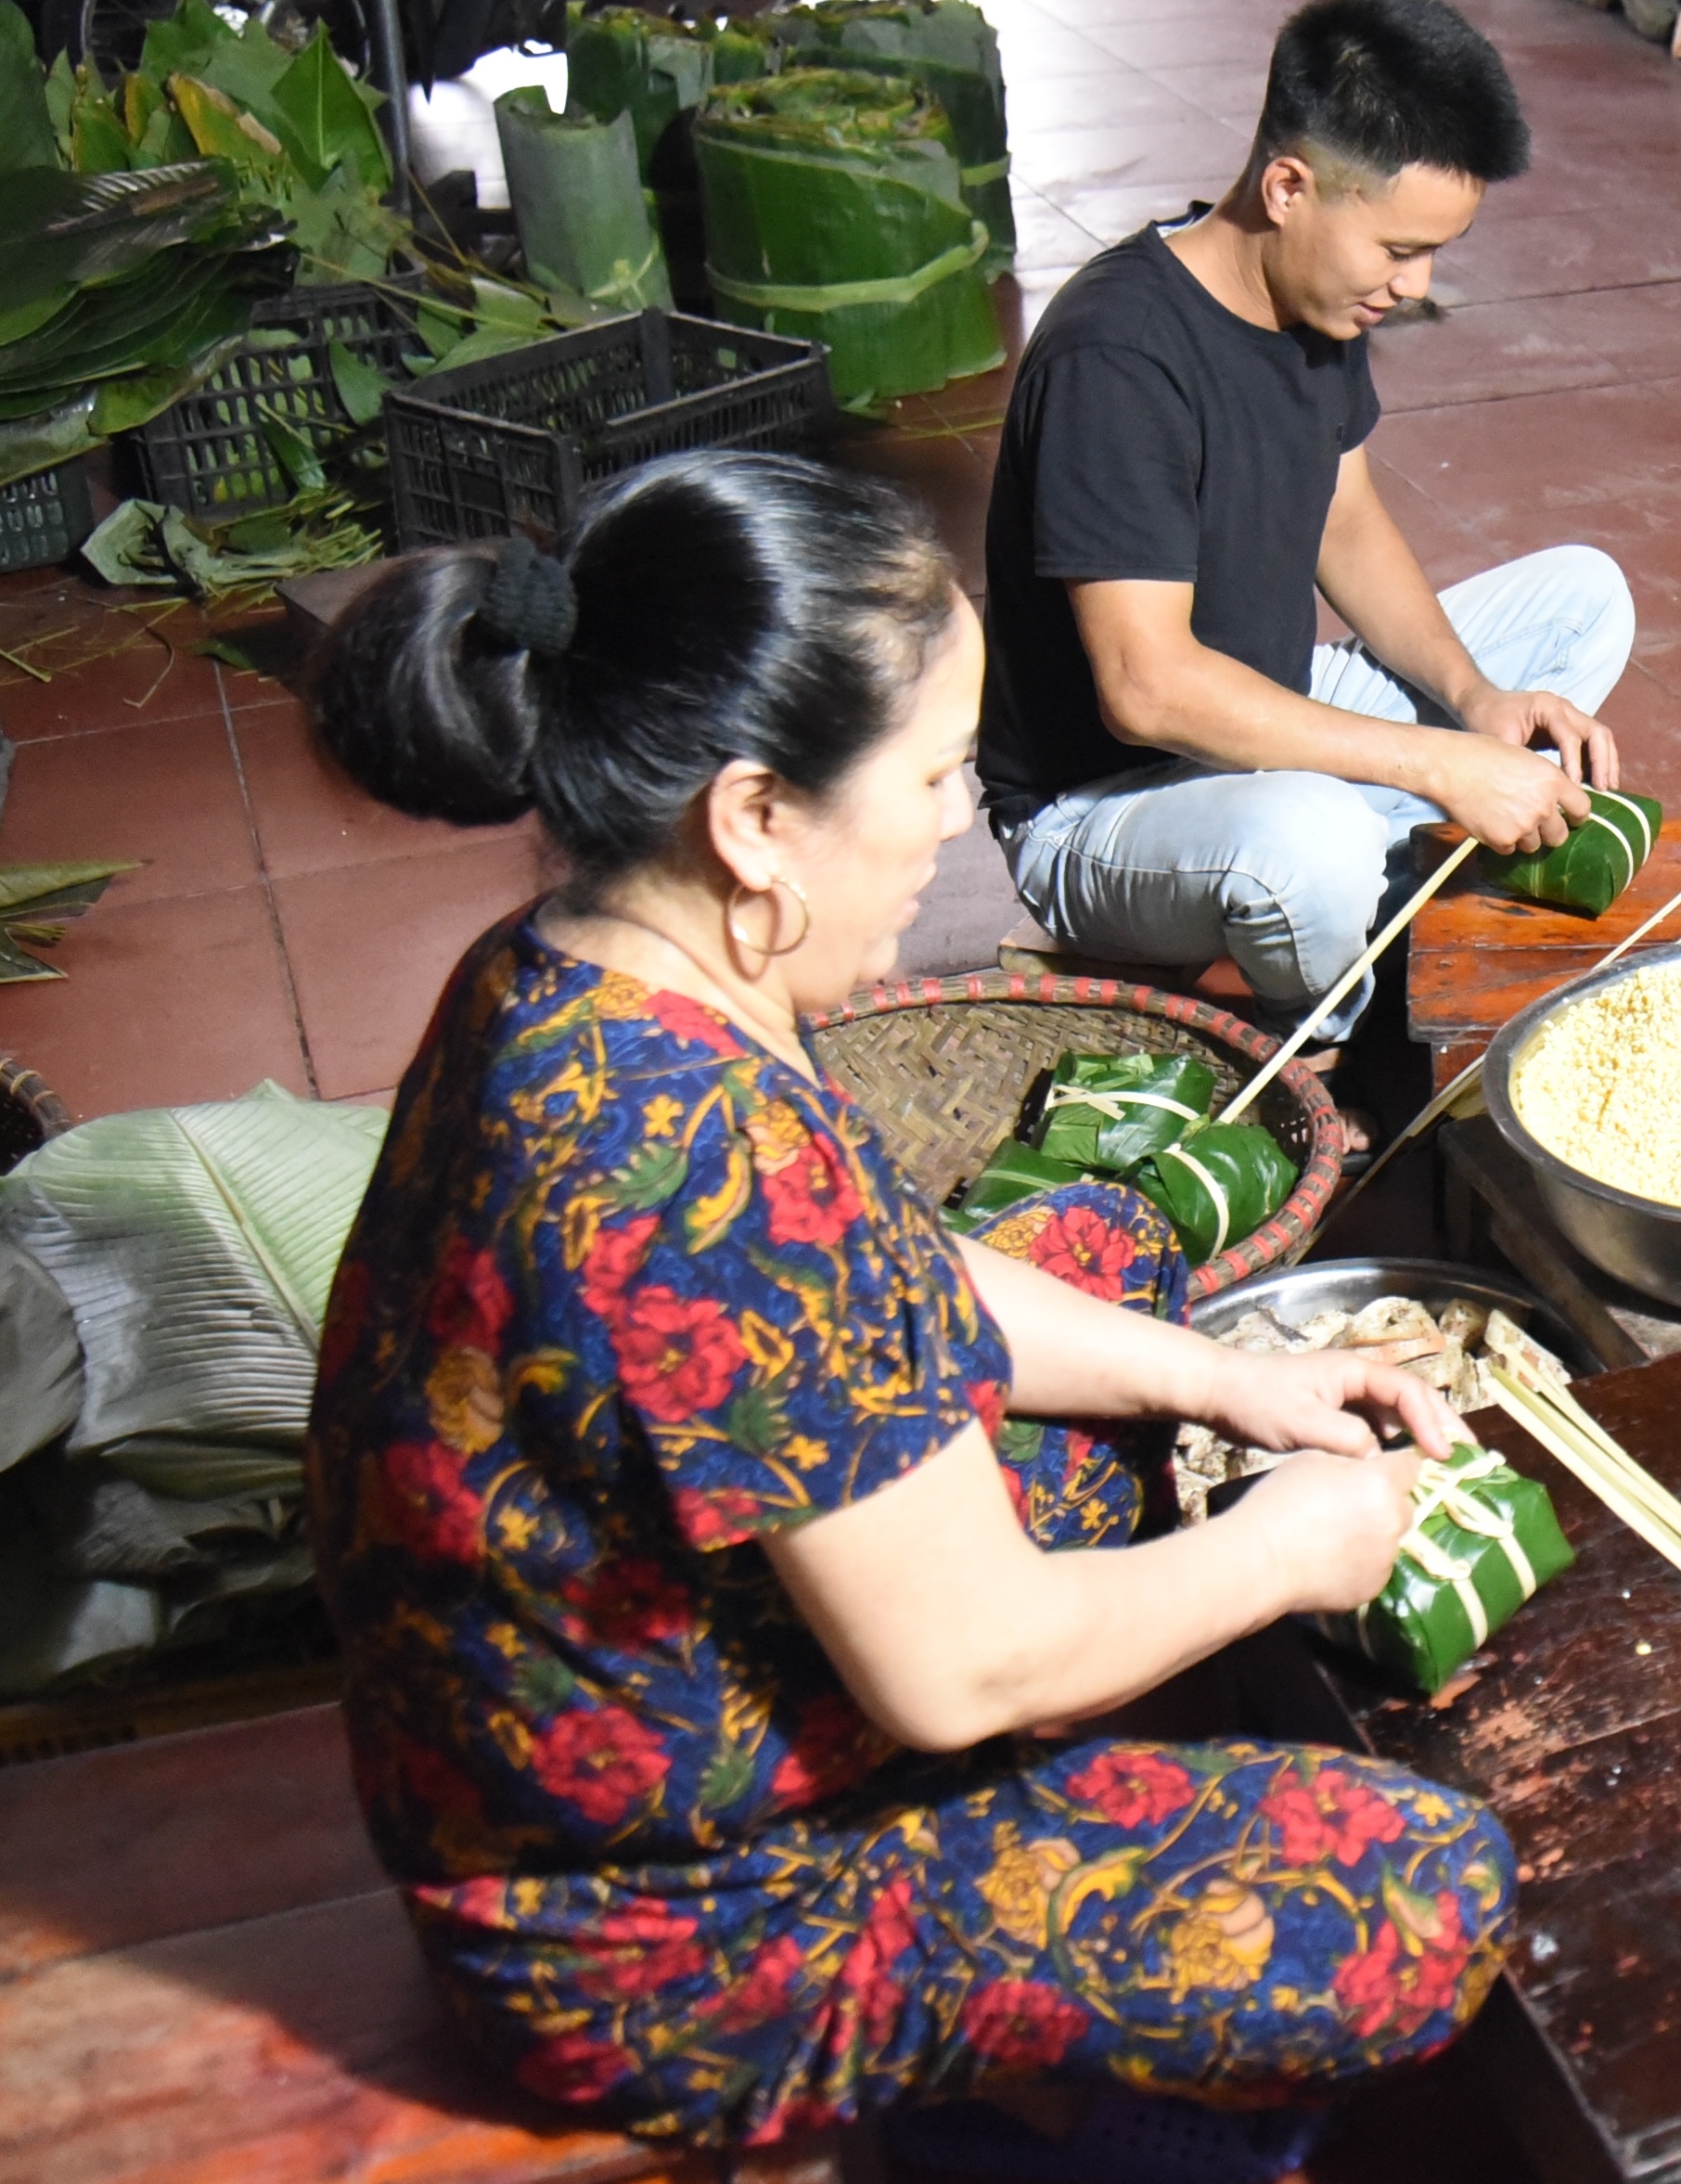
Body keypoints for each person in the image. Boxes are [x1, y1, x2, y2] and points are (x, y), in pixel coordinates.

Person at [302, 453, 1513, 2166]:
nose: (959, 817)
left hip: (593, 1713)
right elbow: (960, 1665)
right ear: (754, 818)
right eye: (937, 772)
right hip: (653, 1920)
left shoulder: (572, 962)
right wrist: (1293, 1547)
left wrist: (1224, 1387)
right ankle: (995, 2116)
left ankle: (1067, 1822)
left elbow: (902, 1273)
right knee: (1414, 1893)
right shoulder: (693, 1154)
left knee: (1102, 1252)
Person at [979, 0, 1634, 1027]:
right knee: (1313, 843)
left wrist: (1474, 704)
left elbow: (1346, 520)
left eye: (1434, 254)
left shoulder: (1321, 297)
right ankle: (1307, 1012)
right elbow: (1145, 691)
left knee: (1584, 600)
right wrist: (1437, 762)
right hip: (1107, 802)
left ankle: (1338, 883)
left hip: (1267, 704)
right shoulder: (1118, 357)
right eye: (1399, 250)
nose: (1414, 286)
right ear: (1288, 186)